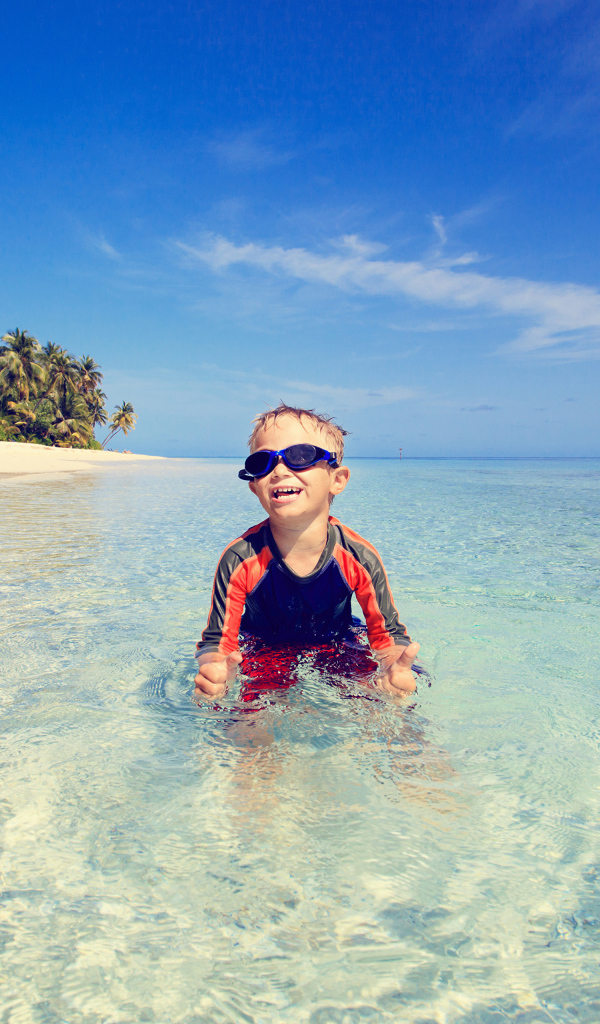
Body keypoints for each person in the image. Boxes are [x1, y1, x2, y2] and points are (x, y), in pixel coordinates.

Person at [194, 404, 420, 700]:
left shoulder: (358, 557)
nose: (279, 470)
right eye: (262, 462)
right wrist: (215, 669)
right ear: (254, 487)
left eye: (300, 455)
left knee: (384, 700)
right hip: (264, 647)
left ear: (337, 479)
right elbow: (217, 641)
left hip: (337, 643)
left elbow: (387, 635)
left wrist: (391, 666)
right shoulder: (241, 558)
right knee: (251, 718)